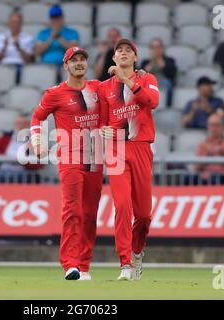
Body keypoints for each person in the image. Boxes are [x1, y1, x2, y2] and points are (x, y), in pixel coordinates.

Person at [30, 47, 103, 281]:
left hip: (95, 158)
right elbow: (37, 117)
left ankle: (84, 266)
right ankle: (70, 265)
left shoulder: (98, 88)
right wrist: (38, 142)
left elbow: (121, 92)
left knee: (90, 213)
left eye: (82, 59)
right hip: (69, 157)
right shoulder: (54, 93)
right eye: (74, 60)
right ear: (66, 66)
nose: (79, 63)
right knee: (73, 210)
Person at [98, 39, 159, 281]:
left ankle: (136, 252)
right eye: (119, 51)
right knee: (122, 206)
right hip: (116, 151)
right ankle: (124, 263)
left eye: (128, 51)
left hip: (142, 147)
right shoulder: (104, 88)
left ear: (135, 57)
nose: (123, 53)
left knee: (143, 215)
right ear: (113, 59)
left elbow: (152, 102)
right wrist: (105, 130)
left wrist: (126, 80)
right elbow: (103, 120)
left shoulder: (148, 79)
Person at [0, 114, 43, 183]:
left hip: (24, 172)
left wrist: (24, 161)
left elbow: (40, 161)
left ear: (28, 125)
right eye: (18, 123)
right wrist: (2, 157)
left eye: (23, 124)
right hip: (3, 171)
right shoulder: (6, 137)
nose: (20, 126)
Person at [195, 114, 224, 185]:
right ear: (208, 127)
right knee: (188, 178)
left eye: (217, 125)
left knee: (217, 178)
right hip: (204, 180)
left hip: (223, 179)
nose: (214, 128)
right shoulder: (202, 144)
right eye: (211, 125)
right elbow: (196, 168)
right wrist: (208, 155)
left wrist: (223, 153)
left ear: (223, 127)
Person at [140, 38, 177, 106]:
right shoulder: (145, 62)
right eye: (153, 47)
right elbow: (141, 77)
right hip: (150, 84)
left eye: (158, 47)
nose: (156, 50)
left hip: (163, 83)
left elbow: (171, 75)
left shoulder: (169, 60)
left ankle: (167, 105)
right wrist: (152, 62)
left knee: (167, 83)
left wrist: (159, 59)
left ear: (162, 49)